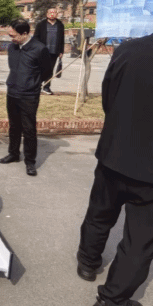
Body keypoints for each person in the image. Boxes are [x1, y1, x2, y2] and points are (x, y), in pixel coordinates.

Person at [76, 34, 153, 306]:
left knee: (99, 212)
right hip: (148, 173)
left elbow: (108, 95)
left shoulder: (129, 50)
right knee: (139, 242)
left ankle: (87, 261)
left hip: (114, 151)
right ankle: (112, 299)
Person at [0, 18, 51, 176]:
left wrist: (32, 83)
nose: (11, 39)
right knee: (14, 126)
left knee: (29, 129)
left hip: (29, 95)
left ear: (25, 33)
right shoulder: (12, 48)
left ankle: (30, 161)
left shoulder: (40, 49)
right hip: (12, 92)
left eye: (13, 35)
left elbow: (47, 72)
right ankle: (13, 153)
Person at [32, 8, 65, 95]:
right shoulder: (41, 24)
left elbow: (62, 39)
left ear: (57, 14)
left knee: (50, 70)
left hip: (54, 52)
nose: (52, 14)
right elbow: (36, 37)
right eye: (50, 12)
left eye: (54, 12)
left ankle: (46, 87)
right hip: (42, 51)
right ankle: (37, 87)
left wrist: (61, 51)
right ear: (47, 14)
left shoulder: (60, 25)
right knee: (40, 69)